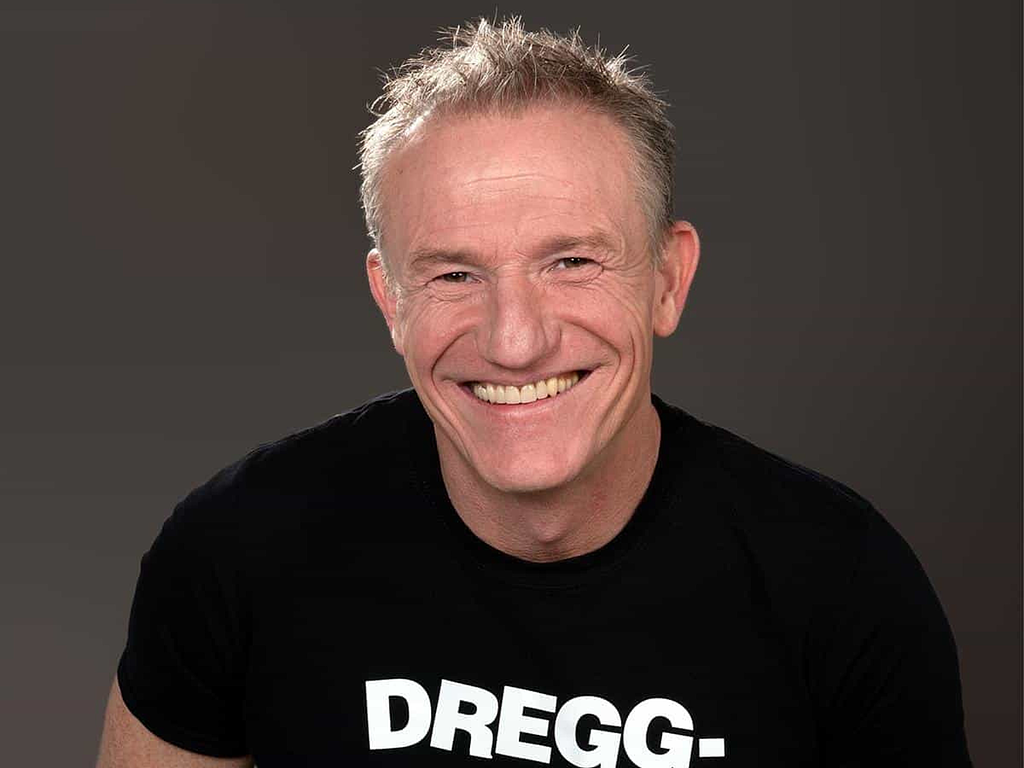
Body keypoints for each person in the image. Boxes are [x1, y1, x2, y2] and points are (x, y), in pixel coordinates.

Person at [96, 17, 971, 768]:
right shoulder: (235, 550)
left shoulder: (842, 584)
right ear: (390, 300)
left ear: (668, 279)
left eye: (573, 261)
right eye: (453, 275)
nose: (515, 341)